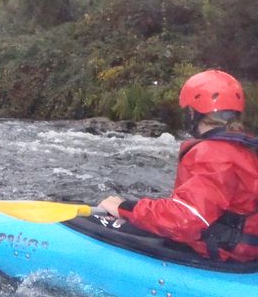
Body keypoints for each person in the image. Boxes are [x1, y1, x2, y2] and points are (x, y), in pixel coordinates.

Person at [99, 69, 258, 262]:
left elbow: (186, 219)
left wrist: (125, 208)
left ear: (193, 114)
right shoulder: (245, 149)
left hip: (222, 255)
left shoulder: (215, 154)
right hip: (241, 251)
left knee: (108, 225)